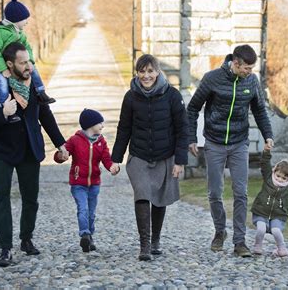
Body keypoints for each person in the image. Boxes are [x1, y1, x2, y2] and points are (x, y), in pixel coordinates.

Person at [0, 42, 69, 267]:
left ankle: (26, 239)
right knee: (2, 198)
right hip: (2, 152)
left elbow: (45, 115)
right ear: (9, 64)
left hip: (30, 149)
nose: (28, 66)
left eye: (28, 61)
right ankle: (5, 249)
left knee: (31, 199)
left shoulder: (34, 84)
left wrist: (60, 144)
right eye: (22, 62)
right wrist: (2, 113)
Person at [187, 44, 274, 257]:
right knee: (215, 192)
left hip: (239, 142)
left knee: (241, 193)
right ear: (235, 63)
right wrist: (191, 138)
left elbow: (260, 110)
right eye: (246, 68)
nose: (249, 72)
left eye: (252, 68)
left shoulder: (251, 82)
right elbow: (192, 109)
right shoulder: (212, 78)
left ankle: (239, 241)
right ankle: (219, 232)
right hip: (215, 142)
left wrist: (268, 135)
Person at [111, 54, 189, 261]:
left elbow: (183, 129)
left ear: (157, 72)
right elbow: (124, 128)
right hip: (139, 156)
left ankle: (156, 239)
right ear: (137, 73)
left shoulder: (172, 95)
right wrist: (115, 158)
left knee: (159, 199)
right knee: (143, 194)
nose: (146, 76)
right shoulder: (130, 97)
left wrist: (180, 161)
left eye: (150, 71)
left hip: (165, 155)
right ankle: (144, 245)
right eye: (142, 71)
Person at [54, 108, 120, 252]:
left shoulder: (101, 142)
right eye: (100, 123)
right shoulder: (75, 140)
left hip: (94, 184)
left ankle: (90, 237)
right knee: (82, 209)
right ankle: (84, 234)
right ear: (90, 124)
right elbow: (63, 152)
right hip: (78, 183)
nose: (102, 126)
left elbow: (106, 159)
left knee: (91, 212)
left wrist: (113, 168)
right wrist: (60, 156)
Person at [0, 0, 55, 123]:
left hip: (11, 62)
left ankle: (41, 93)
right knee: (1, 82)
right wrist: (3, 69)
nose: (26, 22)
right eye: (24, 19)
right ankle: (6, 108)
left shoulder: (18, 33)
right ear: (16, 19)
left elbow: (27, 47)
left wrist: (30, 61)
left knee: (33, 69)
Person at [250, 145, 288, 257]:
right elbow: (264, 164)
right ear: (274, 171)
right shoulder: (268, 178)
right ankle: (257, 246)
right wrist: (266, 151)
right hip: (261, 212)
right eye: (278, 176)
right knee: (261, 229)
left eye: (284, 178)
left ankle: (282, 249)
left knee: (276, 231)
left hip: (278, 215)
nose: (280, 179)